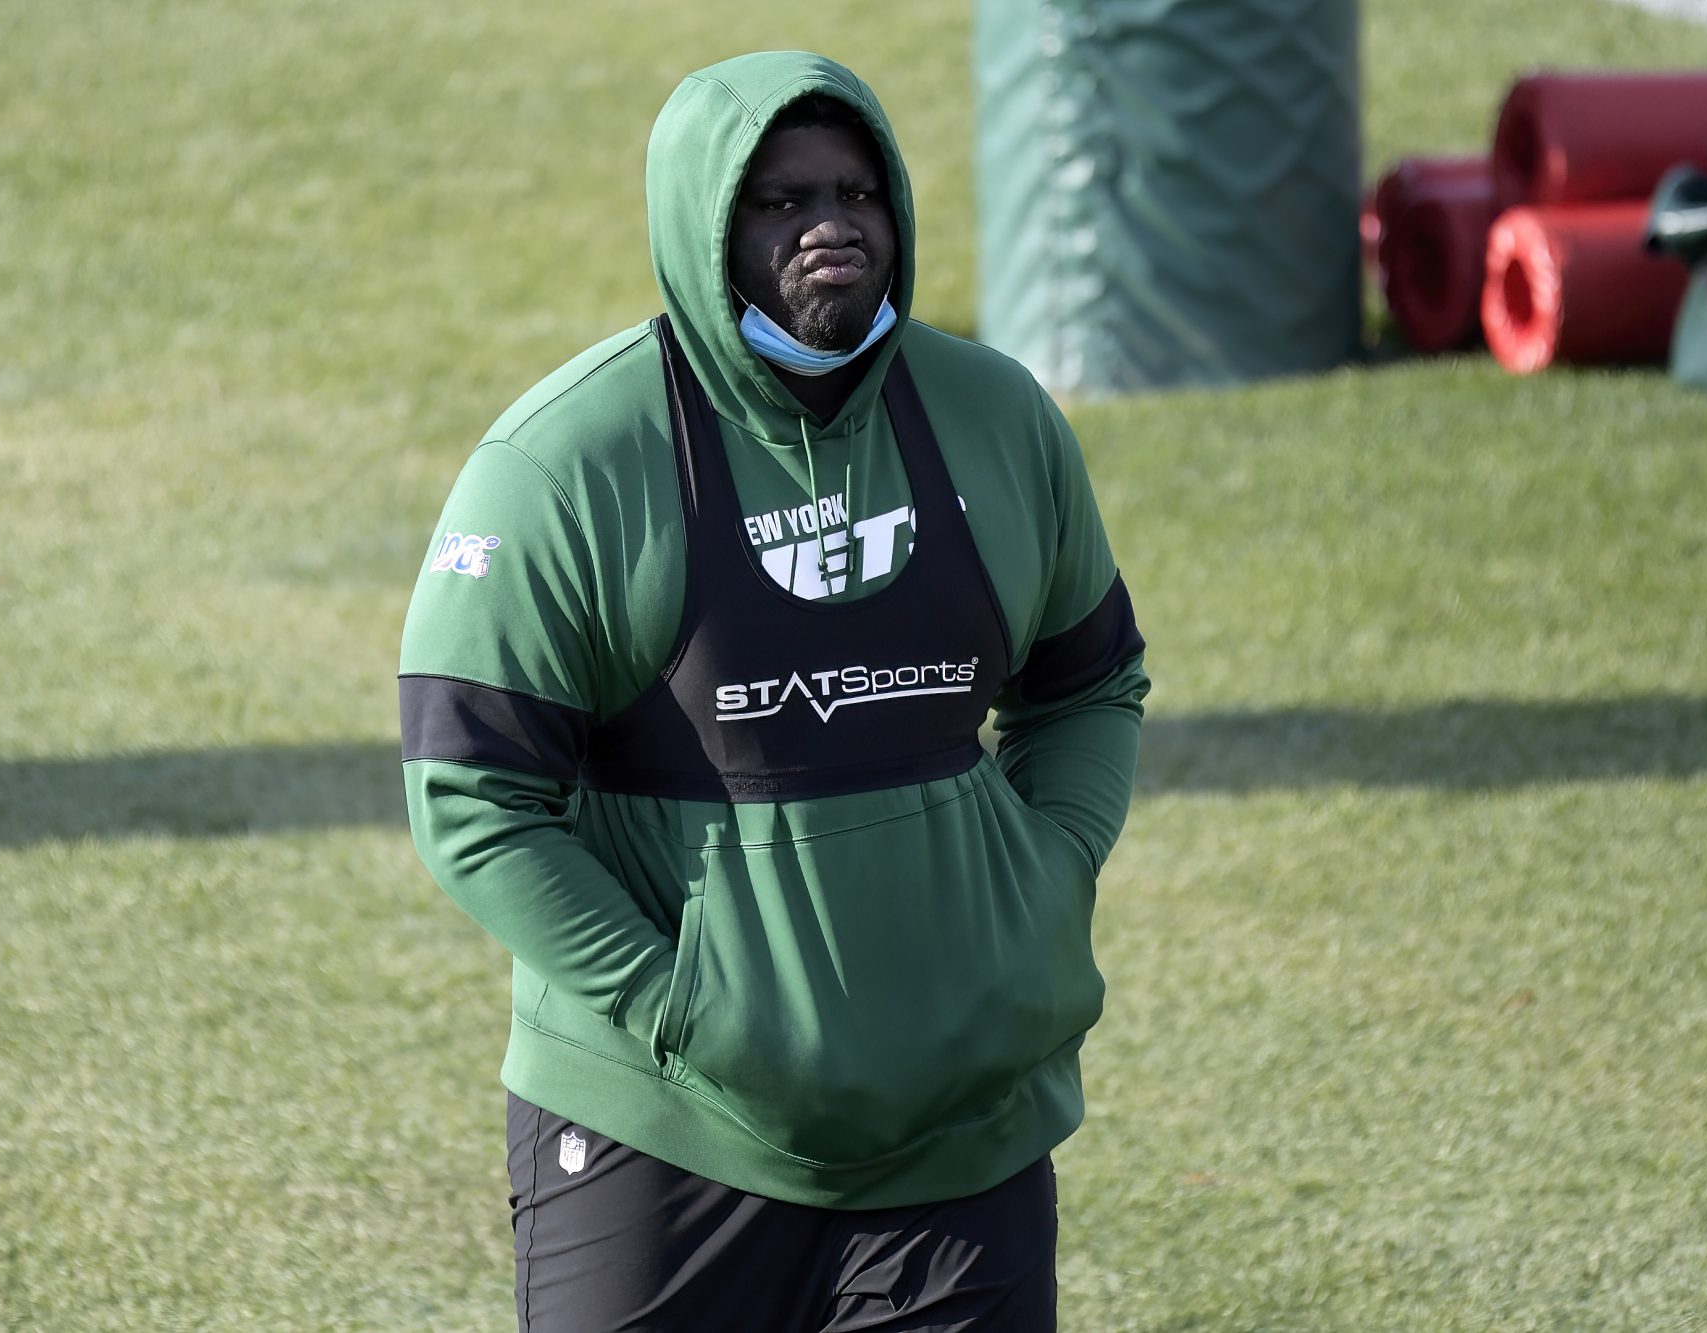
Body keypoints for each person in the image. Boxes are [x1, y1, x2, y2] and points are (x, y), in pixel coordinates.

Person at [399, 50, 1149, 1332]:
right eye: (780, 200)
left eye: (858, 191)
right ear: (703, 229)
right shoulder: (567, 463)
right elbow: (472, 795)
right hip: (660, 1131)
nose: (831, 225)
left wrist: (1040, 881)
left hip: (956, 1135)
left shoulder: (997, 418)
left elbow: (1087, 688)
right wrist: (676, 1010)